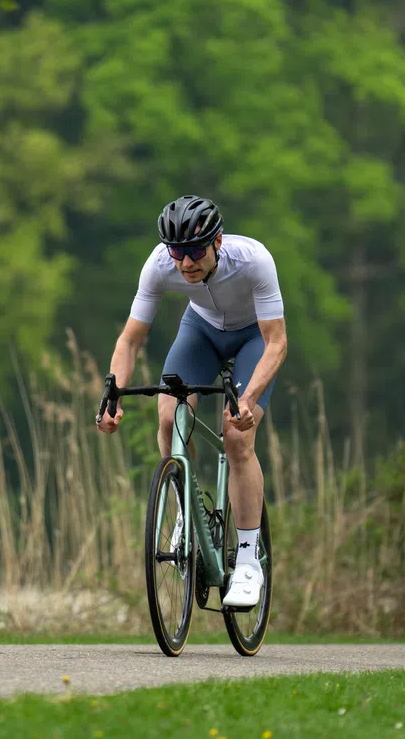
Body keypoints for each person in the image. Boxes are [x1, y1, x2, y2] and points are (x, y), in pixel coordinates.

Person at [95, 195, 287, 609]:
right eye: (177, 252)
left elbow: (276, 342)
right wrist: (112, 392)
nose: (185, 263)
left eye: (195, 251)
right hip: (200, 330)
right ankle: (186, 512)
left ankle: (250, 561)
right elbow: (130, 340)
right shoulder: (159, 265)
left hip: (253, 335)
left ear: (217, 242)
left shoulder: (254, 261)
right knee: (169, 416)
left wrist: (248, 398)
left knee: (236, 437)